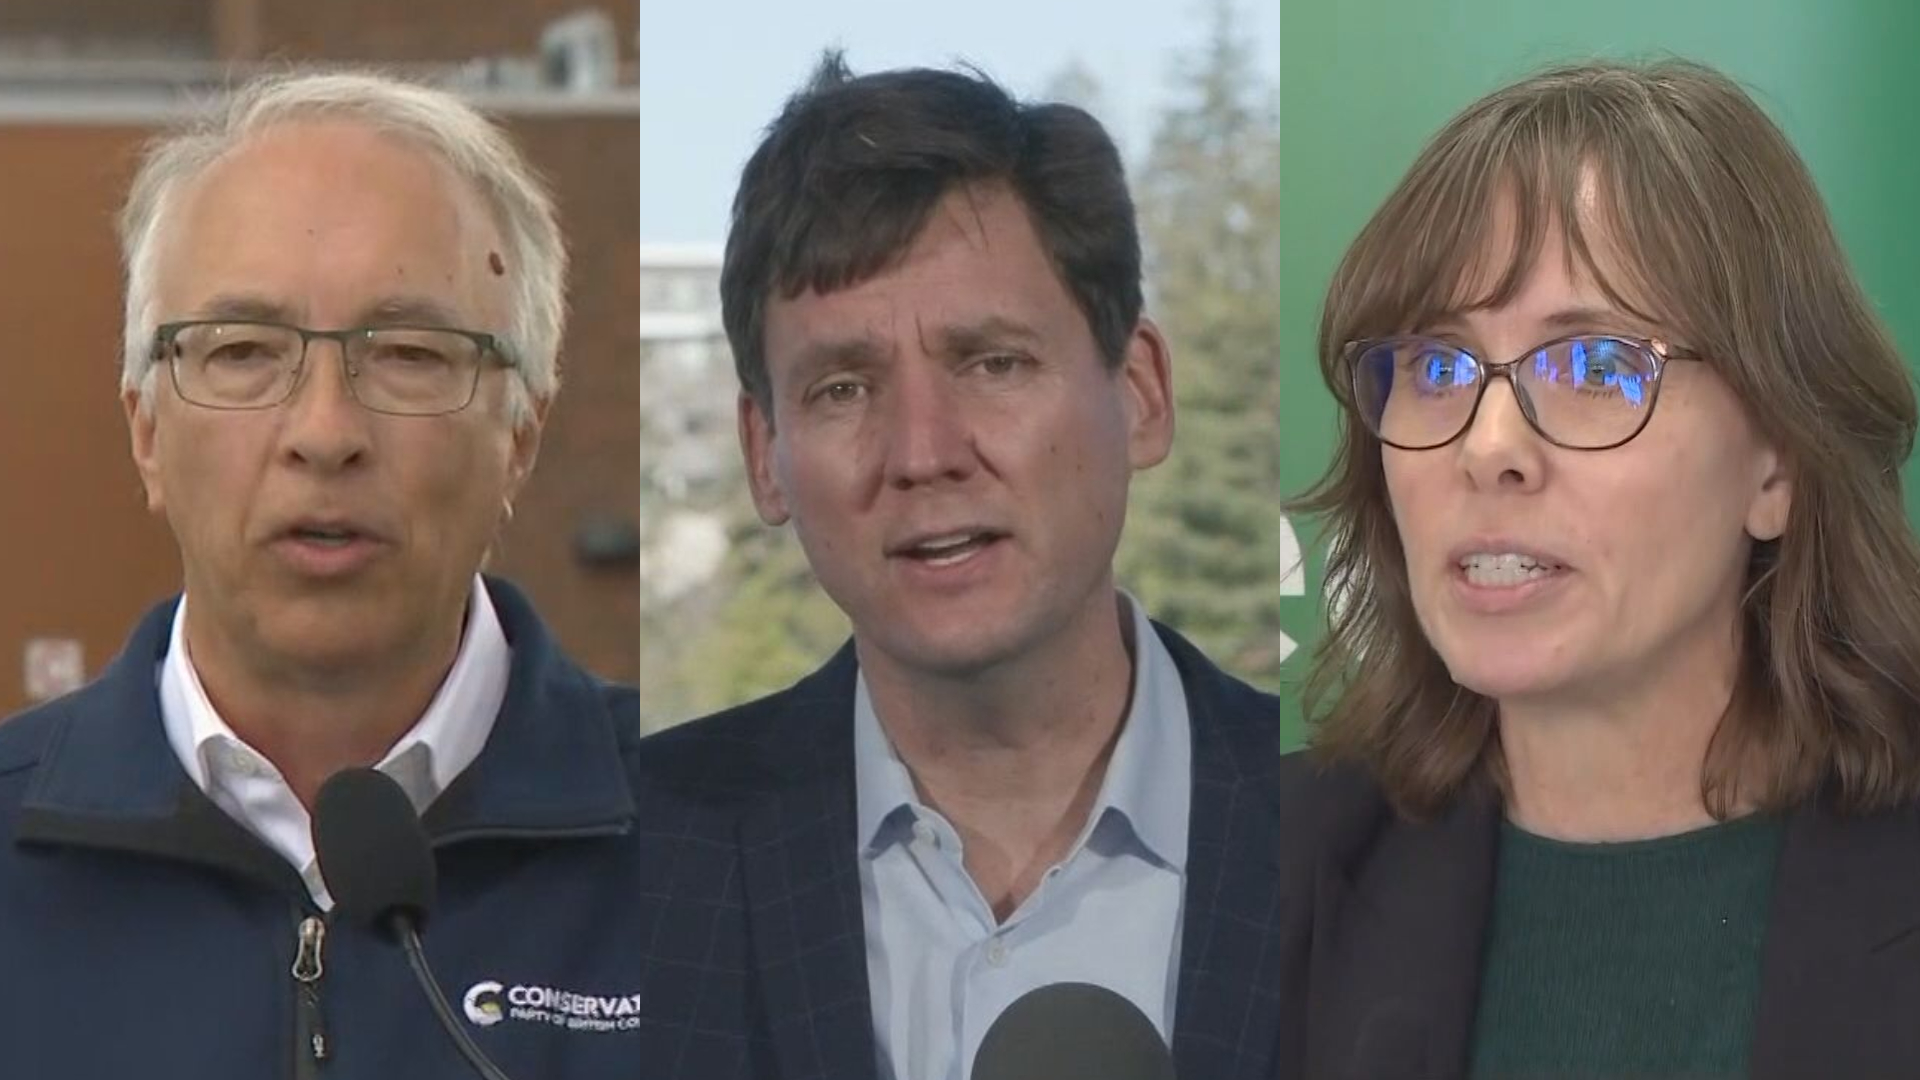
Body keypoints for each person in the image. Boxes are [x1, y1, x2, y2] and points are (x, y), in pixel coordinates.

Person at [0, 71, 754, 1078]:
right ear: (145, 429)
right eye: (242, 352)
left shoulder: (727, 865)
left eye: (407, 353)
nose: (325, 433)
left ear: (522, 433)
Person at [1279, 59, 1920, 1079]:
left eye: (1592, 367)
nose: (1487, 446)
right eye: (1438, 367)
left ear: (1780, 463)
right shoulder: (1272, 872)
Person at [671, 53, 1287, 1080]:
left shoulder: (1374, 838)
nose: (924, 451)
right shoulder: (653, 862)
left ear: (1140, 392)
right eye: (842, 389)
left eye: (992, 363)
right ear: (761, 458)